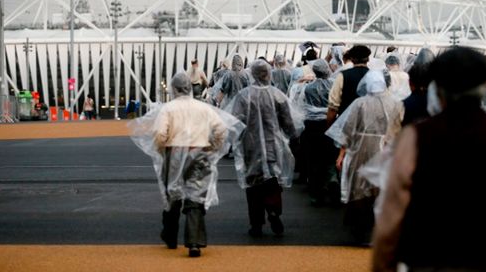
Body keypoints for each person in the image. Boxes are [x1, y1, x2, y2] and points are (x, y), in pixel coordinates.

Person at [372, 47, 486, 272]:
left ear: (438, 89)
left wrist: (383, 264)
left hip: (431, 260)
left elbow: (392, 214)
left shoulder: (415, 139)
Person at [128, 73, 244, 257]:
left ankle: (171, 236)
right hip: (200, 152)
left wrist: (161, 150)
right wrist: (212, 147)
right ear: (190, 87)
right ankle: (194, 242)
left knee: (173, 194)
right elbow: (221, 129)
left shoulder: (168, 109)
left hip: (174, 152)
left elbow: (159, 133)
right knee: (195, 196)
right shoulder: (203, 108)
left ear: (174, 89)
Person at [326, 69, 403, 246]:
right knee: (380, 189)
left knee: (359, 189)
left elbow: (348, 130)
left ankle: (359, 229)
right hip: (386, 150)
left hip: (360, 150)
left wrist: (341, 153)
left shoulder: (360, 104)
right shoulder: (395, 103)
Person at [228, 60, 302, 237]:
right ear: (268, 73)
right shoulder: (277, 95)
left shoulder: (244, 96)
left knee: (253, 184)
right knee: (272, 182)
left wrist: (234, 142)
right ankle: (274, 210)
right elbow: (288, 122)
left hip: (250, 146)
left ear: (252, 74)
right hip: (272, 145)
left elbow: (235, 122)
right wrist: (293, 137)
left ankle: (256, 223)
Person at [300, 59, 338, 206]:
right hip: (330, 123)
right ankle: (333, 180)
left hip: (312, 126)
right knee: (330, 157)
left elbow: (303, 106)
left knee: (314, 160)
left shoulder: (309, 88)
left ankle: (316, 195)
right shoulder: (334, 85)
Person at [326, 45, 371, 127]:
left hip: (346, 124)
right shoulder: (375, 77)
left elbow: (333, 107)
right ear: (368, 59)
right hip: (367, 125)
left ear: (352, 59)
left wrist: (329, 127)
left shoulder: (343, 76)